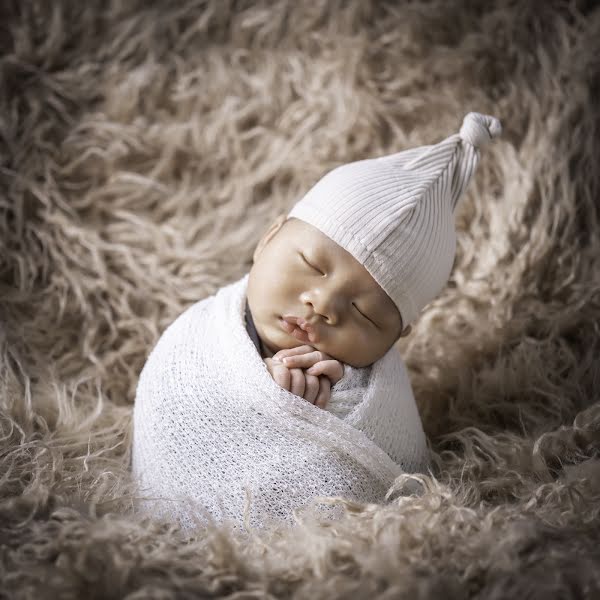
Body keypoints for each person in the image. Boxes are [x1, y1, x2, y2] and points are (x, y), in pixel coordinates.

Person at [131, 111, 502, 532]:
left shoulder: (378, 397)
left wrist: (320, 410)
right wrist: (263, 395)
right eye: (310, 264)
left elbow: (390, 480)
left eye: (363, 313)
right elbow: (176, 414)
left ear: (396, 337)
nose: (323, 304)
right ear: (268, 238)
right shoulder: (201, 338)